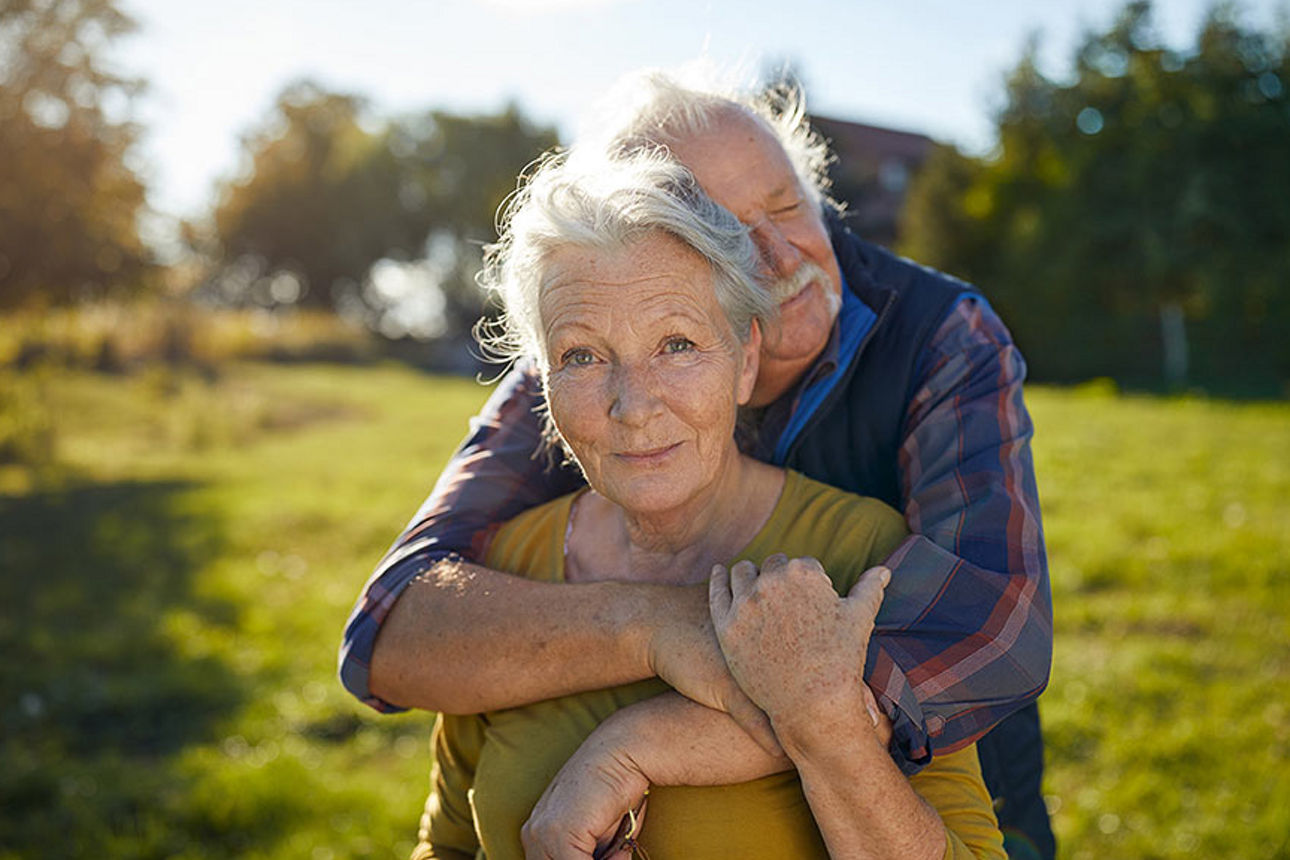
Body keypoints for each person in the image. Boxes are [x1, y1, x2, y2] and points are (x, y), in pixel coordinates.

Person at [341, 68, 1054, 858]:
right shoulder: (572, 365)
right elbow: (392, 631)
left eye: (787, 207)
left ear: (740, 352)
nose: (777, 258)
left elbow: (997, 622)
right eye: (721, 229)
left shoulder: (939, 339)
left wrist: (682, 730)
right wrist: (658, 624)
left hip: (967, 760)